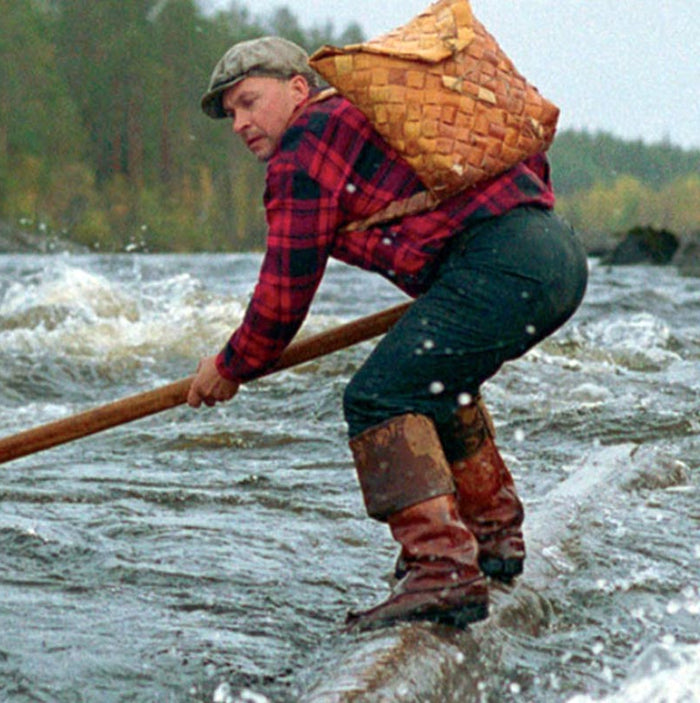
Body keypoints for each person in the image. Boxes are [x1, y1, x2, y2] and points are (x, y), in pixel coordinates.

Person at [187, 36, 588, 630]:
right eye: (231, 114)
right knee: (432, 384)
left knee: (377, 397)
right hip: (556, 254)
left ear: (299, 88)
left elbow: (283, 296)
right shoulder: (366, 113)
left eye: (249, 101)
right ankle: (492, 538)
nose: (241, 122)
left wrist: (230, 364)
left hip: (503, 266)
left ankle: (442, 572)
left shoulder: (305, 145)